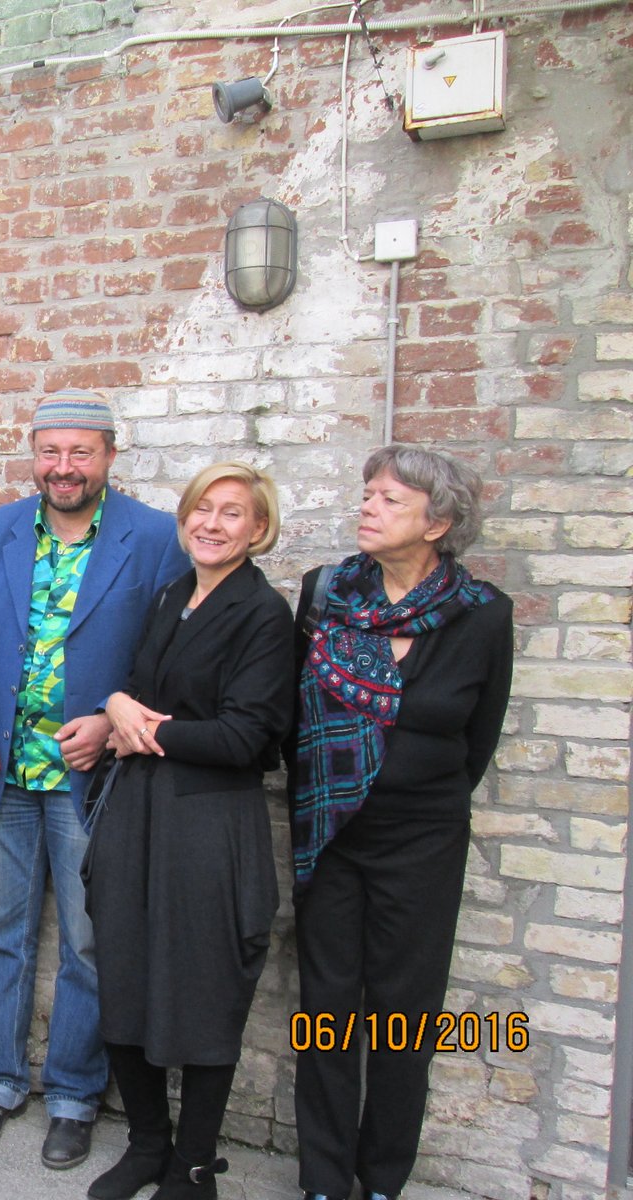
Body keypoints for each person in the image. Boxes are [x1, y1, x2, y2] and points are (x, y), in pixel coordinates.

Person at [0, 389, 188, 1169]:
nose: (64, 467)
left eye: (81, 452)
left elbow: (170, 657)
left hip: (96, 779)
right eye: (50, 451)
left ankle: (75, 1097)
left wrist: (113, 725)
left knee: (88, 945)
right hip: (5, 773)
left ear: (109, 456)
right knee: (1, 936)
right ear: (34, 455)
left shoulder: (154, 537)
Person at [288, 444, 513, 1200]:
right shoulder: (325, 594)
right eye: (368, 493)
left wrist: (411, 791)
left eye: (389, 499)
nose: (368, 507)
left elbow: (477, 740)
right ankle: (323, 1179)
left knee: (404, 1016)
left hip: (424, 840)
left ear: (437, 523)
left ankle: (382, 1177)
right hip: (330, 835)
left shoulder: (483, 615)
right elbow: (294, 720)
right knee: (326, 1011)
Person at [83, 463, 291, 1200]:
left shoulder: (263, 614)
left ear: (258, 530)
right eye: (203, 508)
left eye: (232, 513)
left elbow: (247, 737)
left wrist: (141, 727)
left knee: (205, 990)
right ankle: (148, 1144)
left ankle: (193, 1166)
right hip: (137, 812)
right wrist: (116, 702)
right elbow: (138, 692)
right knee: (124, 977)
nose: (212, 523)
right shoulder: (173, 595)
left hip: (209, 824)